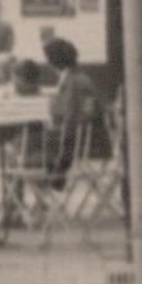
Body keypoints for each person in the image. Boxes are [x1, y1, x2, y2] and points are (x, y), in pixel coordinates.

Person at [44, 37, 103, 187]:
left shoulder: (72, 82)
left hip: (82, 143)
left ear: (53, 62)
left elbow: (71, 116)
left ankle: (48, 183)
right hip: (90, 138)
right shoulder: (80, 78)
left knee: (32, 145)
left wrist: (63, 156)